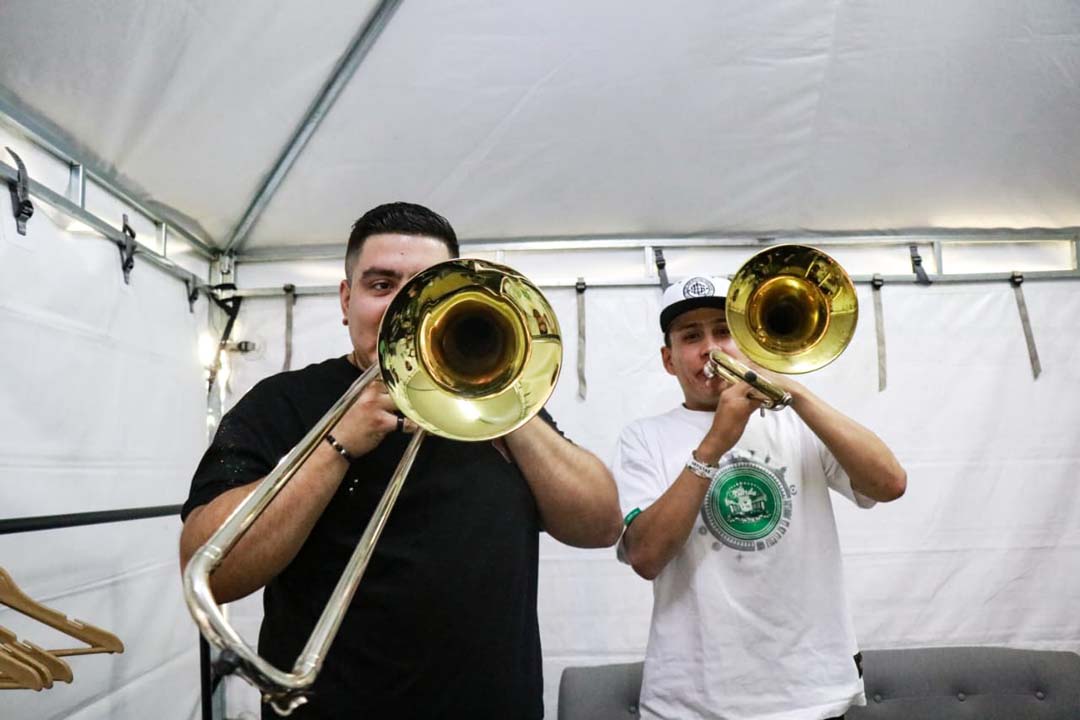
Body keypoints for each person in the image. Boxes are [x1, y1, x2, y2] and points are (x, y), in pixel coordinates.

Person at [179, 202, 623, 719]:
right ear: (346, 300)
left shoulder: (500, 406)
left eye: (428, 290)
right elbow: (209, 565)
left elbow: (600, 524)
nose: (403, 309)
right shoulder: (283, 402)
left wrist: (503, 402)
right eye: (382, 286)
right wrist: (338, 444)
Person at [613, 274, 907, 720]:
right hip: (692, 703)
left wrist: (796, 392)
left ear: (749, 341)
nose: (710, 348)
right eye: (691, 337)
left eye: (724, 330)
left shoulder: (797, 421)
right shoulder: (643, 439)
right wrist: (714, 444)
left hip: (812, 694)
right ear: (669, 359)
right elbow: (646, 557)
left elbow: (891, 483)